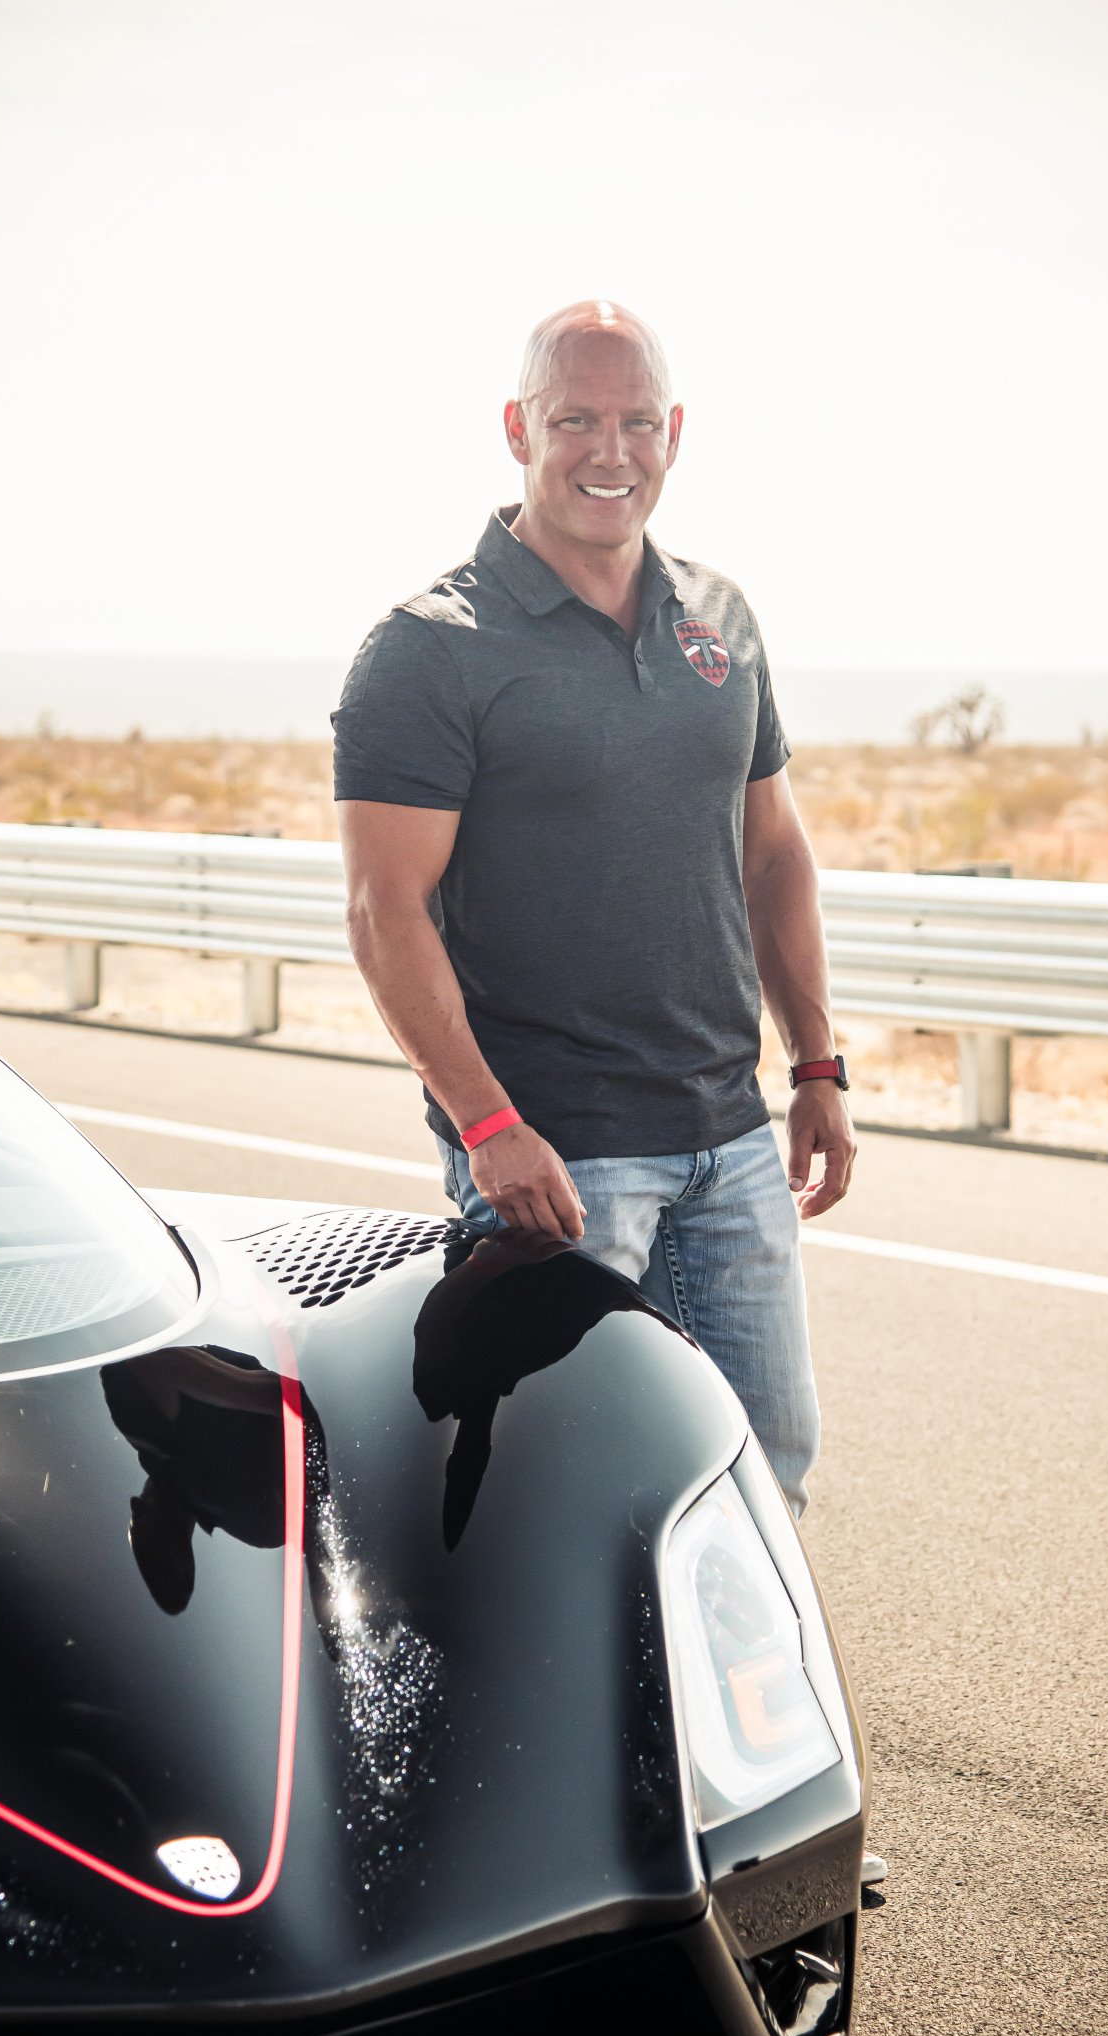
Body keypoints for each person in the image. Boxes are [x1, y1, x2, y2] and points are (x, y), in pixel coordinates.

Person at [332, 299, 855, 1512]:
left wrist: (817, 1064)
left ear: (674, 433)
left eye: (635, 422)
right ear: (519, 427)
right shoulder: (430, 648)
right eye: (575, 420)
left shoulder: (720, 618)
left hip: (732, 1141)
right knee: (558, 1500)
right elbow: (383, 909)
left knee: (765, 1479)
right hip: (559, 1158)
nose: (608, 451)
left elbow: (773, 854)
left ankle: (723, 1654)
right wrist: (487, 1125)